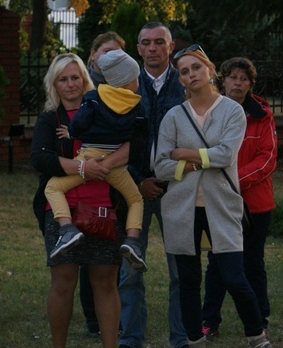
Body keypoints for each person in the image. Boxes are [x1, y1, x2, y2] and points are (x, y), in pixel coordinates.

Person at [155, 44, 271, 348]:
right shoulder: (173, 116)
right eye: (184, 72)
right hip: (182, 209)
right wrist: (191, 162)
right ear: (179, 80)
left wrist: (184, 153)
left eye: (196, 67)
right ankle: (194, 340)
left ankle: (256, 335)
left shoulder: (233, 111)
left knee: (235, 277)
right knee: (189, 281)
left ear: (209, 69)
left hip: (222, 204)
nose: (191, 74)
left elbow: (225, 154)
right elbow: (161, 165)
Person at [31, 53, 129, 348]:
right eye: (63, 79)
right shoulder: (50, 119)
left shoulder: (105, 112)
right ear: (54, 84)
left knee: (105, 282)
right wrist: (85, 168)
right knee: (62, 283)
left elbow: (132, 145)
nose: (70, 84)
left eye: (75, 77)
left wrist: (106, 164)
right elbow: (40, 158)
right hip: (63, 211)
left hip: (105, 207)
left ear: (85, 80)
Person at [45, 49, 147, 274]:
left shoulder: (94, 98)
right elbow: (139, 137)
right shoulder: (136, 106)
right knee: (136, 199)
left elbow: (81, 124)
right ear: (129, 80)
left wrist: (71, 132)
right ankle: (132, 241)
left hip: (89, 157)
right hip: (115, 163)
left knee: (53, 187)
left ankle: (67, 229)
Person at [119, 21, 187, 348]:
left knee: (180, 271)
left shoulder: (186, 84)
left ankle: (180, 338)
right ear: (138, 48)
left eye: (159, 42)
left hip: (177, 188)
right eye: (146, 43)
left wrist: (172, 175)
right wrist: (138, 180)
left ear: (171, 47)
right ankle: (131, 339)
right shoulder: (124, 88)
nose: (152, 49)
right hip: (134, 189)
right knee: (130, 270)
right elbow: (114, 141)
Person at [201, 57, 278, 339]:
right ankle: (209, 320)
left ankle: (260, 318)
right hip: (218, 201)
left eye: (243, 78)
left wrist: (233, 179)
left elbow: (267, 158)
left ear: (250, 84)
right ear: (223, 80)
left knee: (253, 262)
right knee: (217, 263)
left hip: (255, 203)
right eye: (233, 77)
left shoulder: (262, 115)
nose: (238, 82)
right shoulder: (209, 111)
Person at [80, 30, 126, 337]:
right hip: (87, 177)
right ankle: (94, 320)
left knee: (111, 253)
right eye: (105, 51)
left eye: (117, 54)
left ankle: (112, 314)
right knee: (89, 250)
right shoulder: (82, 88)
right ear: (93, 55)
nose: (109, 58)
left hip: (120, 180)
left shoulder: (126, 88)